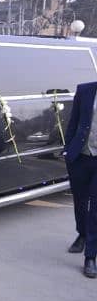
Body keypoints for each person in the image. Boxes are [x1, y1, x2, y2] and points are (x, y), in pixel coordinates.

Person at [62, 81, 97, 278]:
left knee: (96, 209)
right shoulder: (85, 90)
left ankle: (90, 256)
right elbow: (74, 121)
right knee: (80, 200)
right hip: (80, 157)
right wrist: (68, 150)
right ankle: (82, 234)